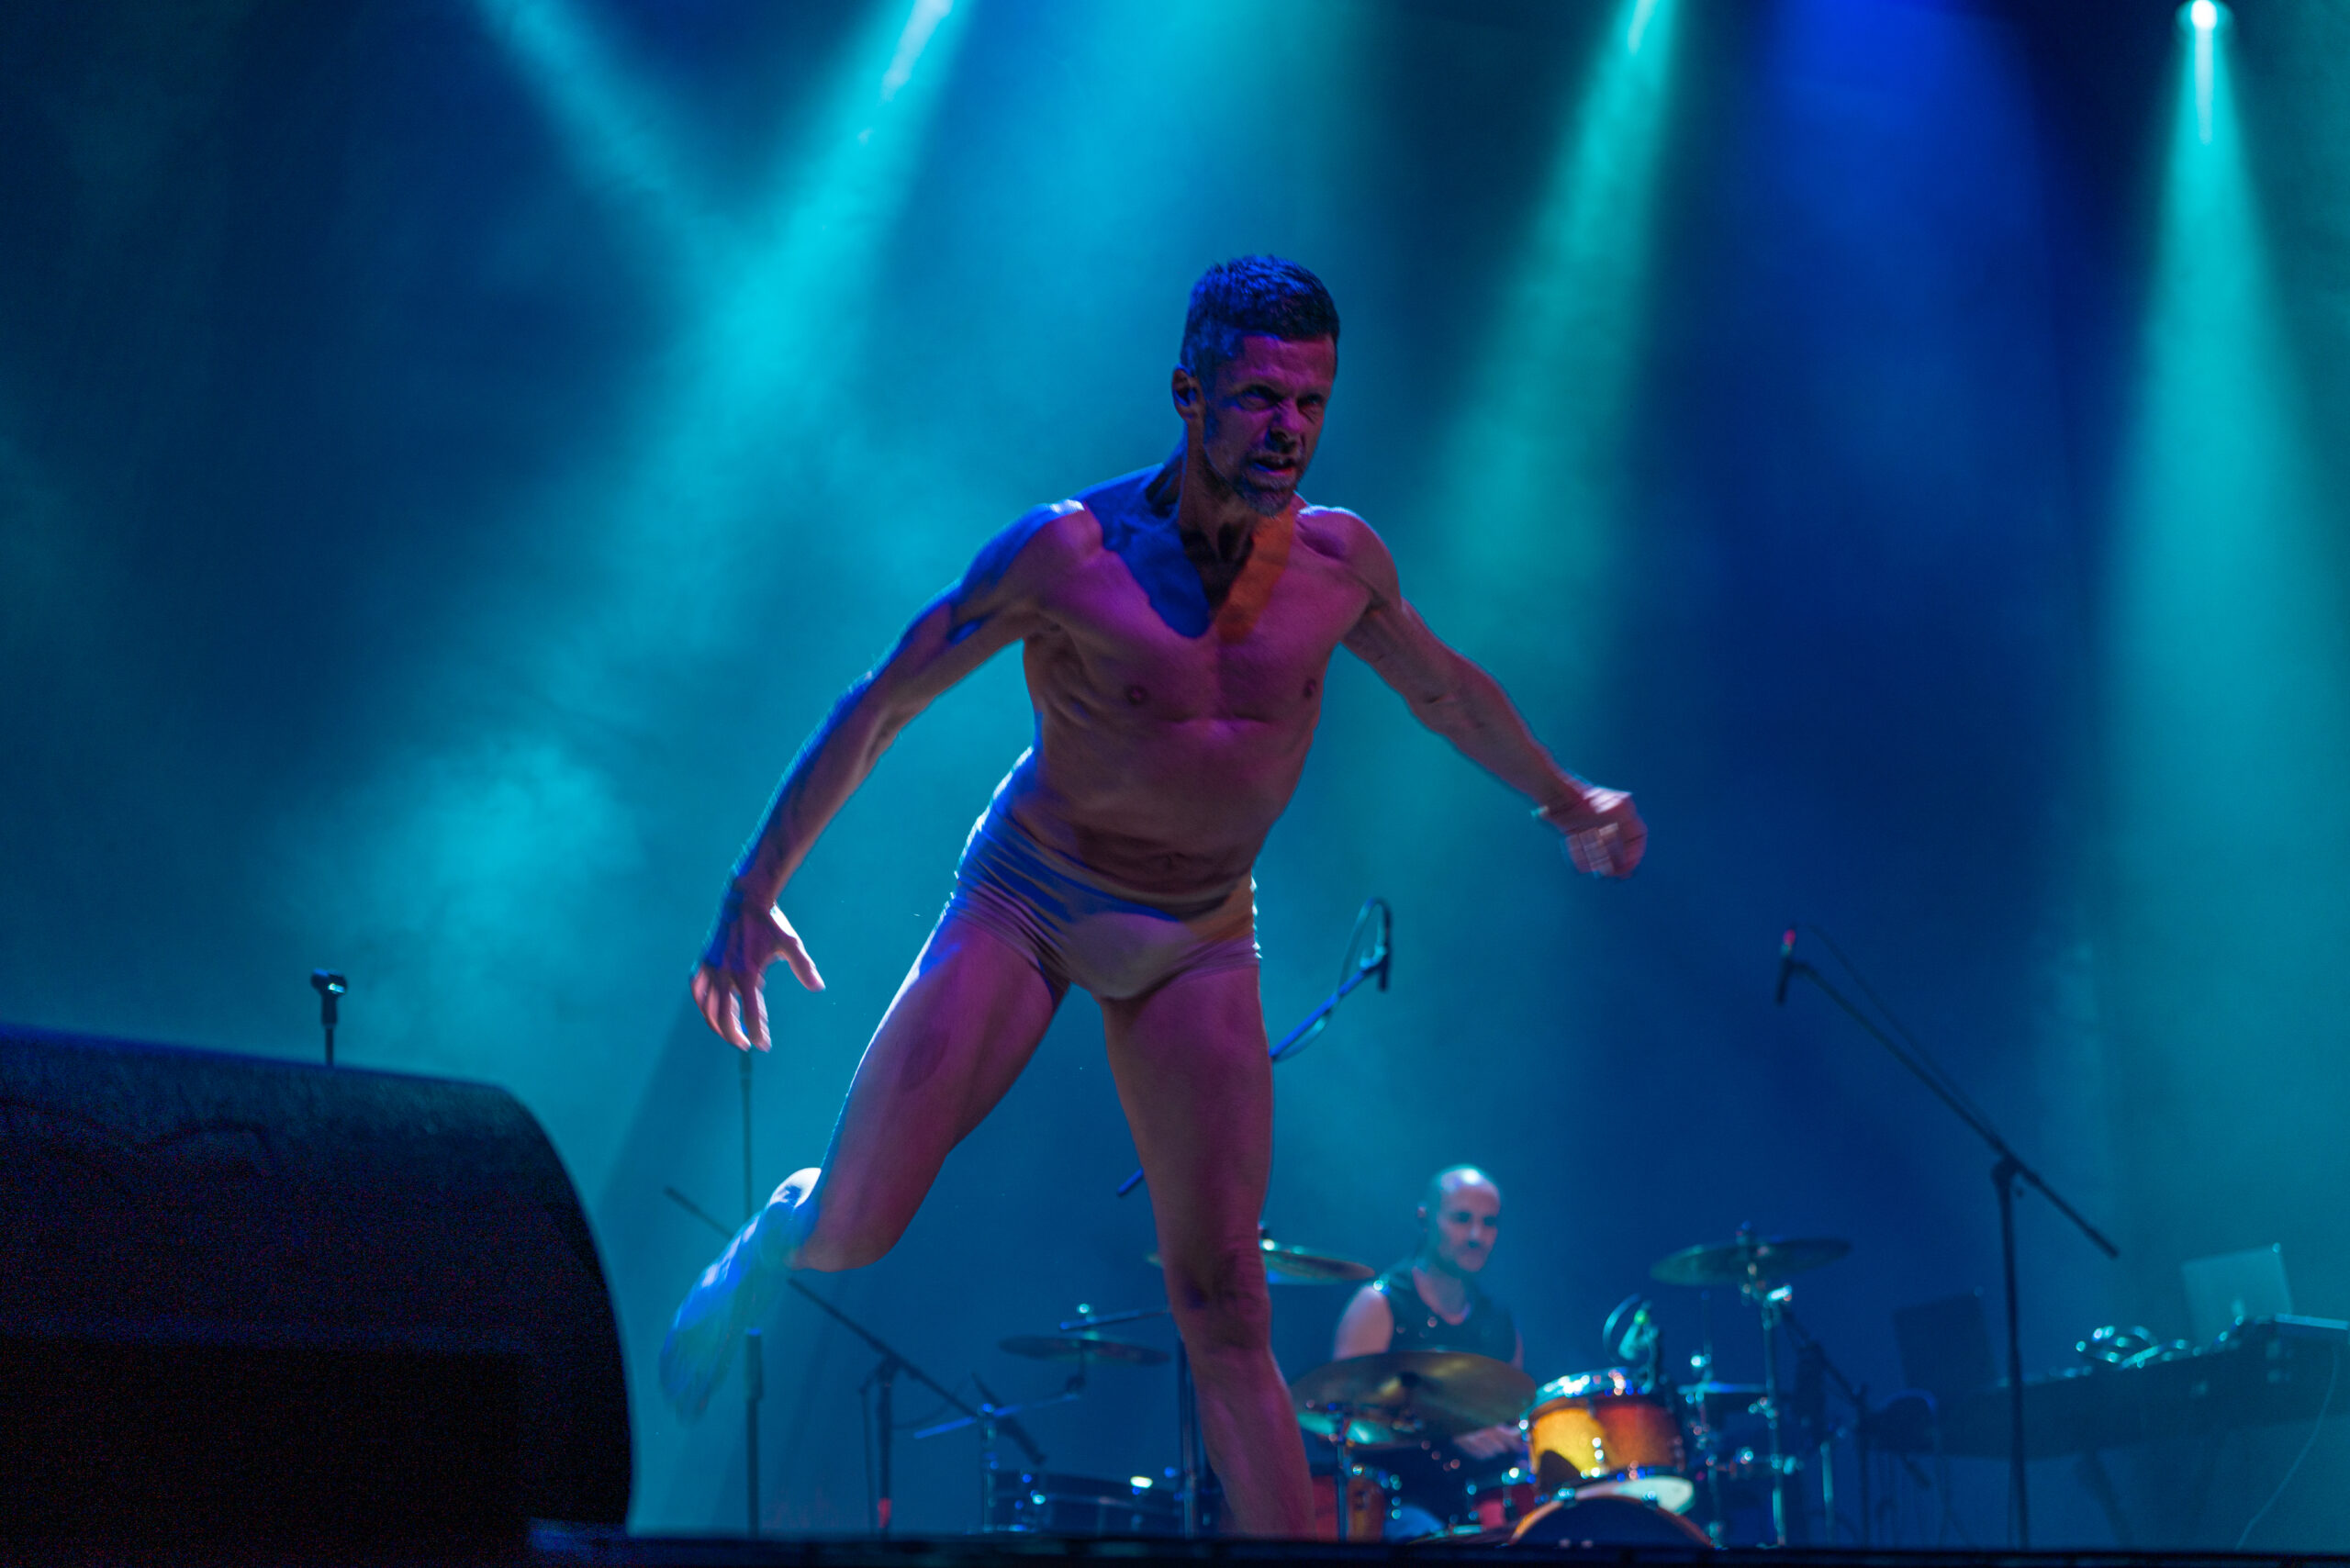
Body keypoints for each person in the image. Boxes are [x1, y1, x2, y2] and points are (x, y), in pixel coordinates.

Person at [658, 255, 1645, 1537]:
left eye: (1310, 403)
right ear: (1189, 393)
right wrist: (754, 886)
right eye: (1258, 398)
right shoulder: (1069, 554)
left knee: (1227, 1304)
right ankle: (784, 1223)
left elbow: (1444, 689)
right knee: (856, 1228)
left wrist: (1567, 797)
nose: (1287, 429)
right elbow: (887, 700)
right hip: (1030, 899)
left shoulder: (1339, 563)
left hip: (1198, 937)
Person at [1330, 1165, 1527, 1537]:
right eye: (1461, 1219)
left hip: (1484, 1504)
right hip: (1399, 1506)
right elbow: (1336, 1426)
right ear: (1425, 1219)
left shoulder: (1499, 1319)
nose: (1476, 1236)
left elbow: (1513, 1417)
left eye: (1489, 1223)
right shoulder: (1380, 1305)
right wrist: (1446, 1431)